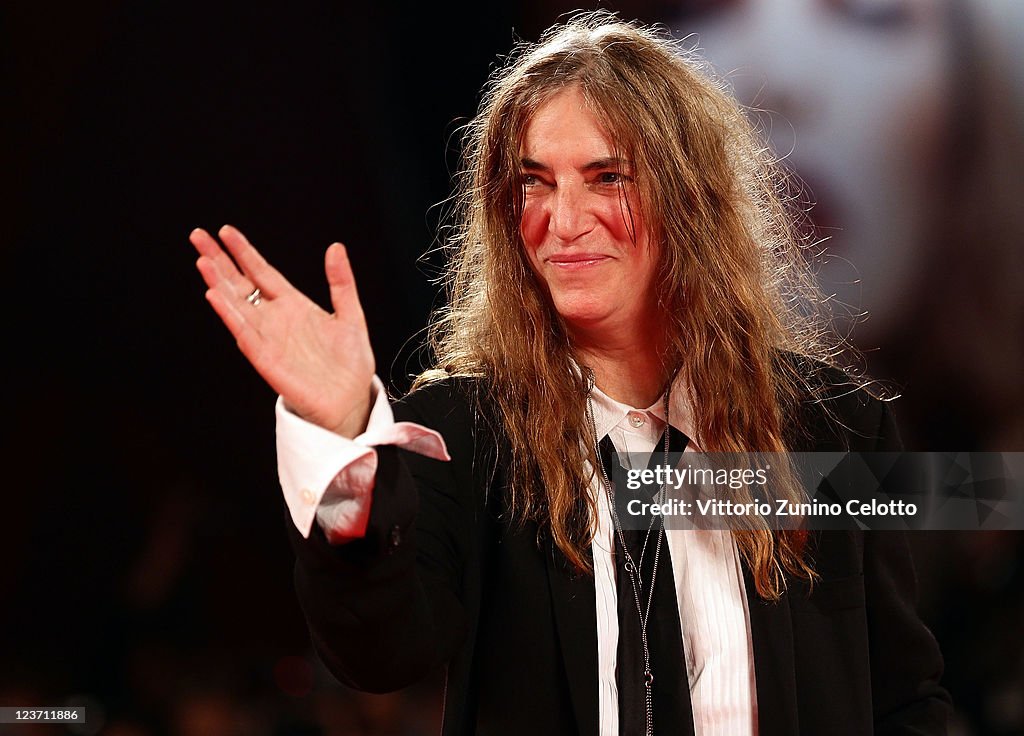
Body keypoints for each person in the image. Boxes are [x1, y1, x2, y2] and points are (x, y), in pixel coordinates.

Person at [190, 13, 950, 736]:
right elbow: (379, 651)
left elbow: (902, 698)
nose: (562, 220)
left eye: (606, 176)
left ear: (691, 199)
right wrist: (345, 435)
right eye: (534, 182)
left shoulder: (833, 426)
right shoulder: (467, 431)